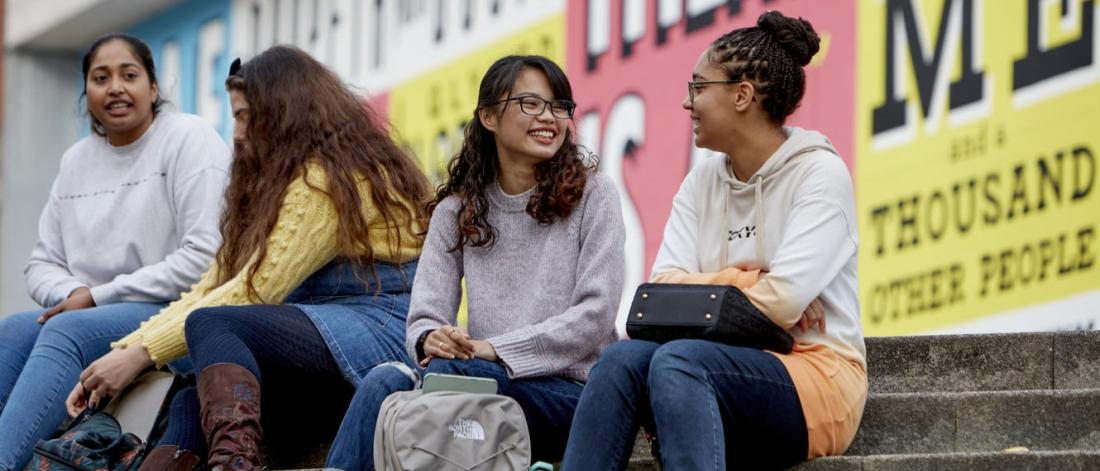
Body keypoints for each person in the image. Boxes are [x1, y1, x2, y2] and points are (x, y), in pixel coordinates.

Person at [64, 46, 431, 470]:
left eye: (244, 116)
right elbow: (211, 288)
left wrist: (141, 356)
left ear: (283, 113)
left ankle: (235, 466)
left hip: (381, 328)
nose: (236, 133)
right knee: (189, 398)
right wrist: (126, 351)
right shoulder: (272, 184)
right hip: (320, 326)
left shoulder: (325, 178)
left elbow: (254, 291)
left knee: (214, 323)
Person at [561, 11, 867, 470]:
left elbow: (782, 305)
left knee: (678, 362)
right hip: (716, 367)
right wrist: (751, 279)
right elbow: (660, 293)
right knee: (622, 360)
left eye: (698, 88)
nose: (688, 103)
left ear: (742, 95)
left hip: (816, 376)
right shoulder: (700, 182)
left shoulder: (818, 173)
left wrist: (724, 290)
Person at [325, 54, 625, 470]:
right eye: (531, 104)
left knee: (445, 384)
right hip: (474, 384)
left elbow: (595, 315)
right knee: (384, 380)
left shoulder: (595, 194)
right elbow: (425, 317)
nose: (550, 118)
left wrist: (491, 350)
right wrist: (433, 338)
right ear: (488, 116)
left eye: (559, 107)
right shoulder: (456, 210)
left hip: (570, 395)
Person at [0, 32, 229, 471]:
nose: (116, 88)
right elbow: (41, 263)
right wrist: (78, 292)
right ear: (86, 93)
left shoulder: (188, 138)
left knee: (65, 332)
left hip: (174, 313)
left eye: (130, 75)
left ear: (154, 87)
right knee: (13, 330)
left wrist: (97, 297)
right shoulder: (76, 161)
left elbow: (204, 258)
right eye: (101, 78)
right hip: (93, 311)